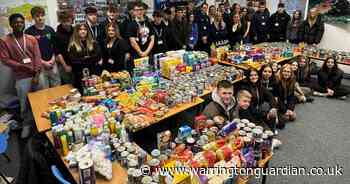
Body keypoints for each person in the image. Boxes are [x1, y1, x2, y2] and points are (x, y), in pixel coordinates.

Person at [0, 13, 42, 138]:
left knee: (40, 100)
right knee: (24, 104)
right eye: (16, 22)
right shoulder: (5, 41)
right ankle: (27, 125)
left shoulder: (31, 38)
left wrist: (36, 73)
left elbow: (37, 57)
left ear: (24, 24)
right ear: (11, 24)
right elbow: (5, 59)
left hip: (37, 75)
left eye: (21, 22)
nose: (19, 24)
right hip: (21, 77)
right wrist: (22, 66)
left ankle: (41, 124)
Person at [25, 6, 61, 89]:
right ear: (33, 17)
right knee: (44, 90)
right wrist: (43, 62)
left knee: (57, 88)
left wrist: (53, 59)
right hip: (39, 66)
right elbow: (30, 52)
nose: (40, 18)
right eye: (37, 16)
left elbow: (55, 47)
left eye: (42, 15)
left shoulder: (50, 29)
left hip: (52, 63)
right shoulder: (28, 32)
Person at [68, 24, 101, 92]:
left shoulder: (93, 43)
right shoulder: (73, 45)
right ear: (77, 31)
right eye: (80, 29)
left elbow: (98, 56)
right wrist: (89, 59)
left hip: (93, 73)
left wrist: (83, 59)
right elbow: (73, 61)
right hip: (79, 75)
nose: (83, 31)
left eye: (85, 29)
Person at [126, 2, 155, 71]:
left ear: (144, 11)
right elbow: (132, 42)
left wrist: (146, 52)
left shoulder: (148, 23)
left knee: (149, 75)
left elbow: (152, 39)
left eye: (141, 9)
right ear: (134, 12)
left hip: (148, 54)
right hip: (136, 55)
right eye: (137, 10)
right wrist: (141, 53)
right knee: (139, 76)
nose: (139, 12)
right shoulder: (131, 25)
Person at [55, 10, 74, 84]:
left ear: (72, 20)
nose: (66, 23)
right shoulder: (57, 34)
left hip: (76, 63)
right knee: (69, 87)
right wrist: (65, 66)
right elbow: (58, 53)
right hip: (65, 65)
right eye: (64, 21)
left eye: (68, 21)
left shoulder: (75, 31)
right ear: (60, 21)